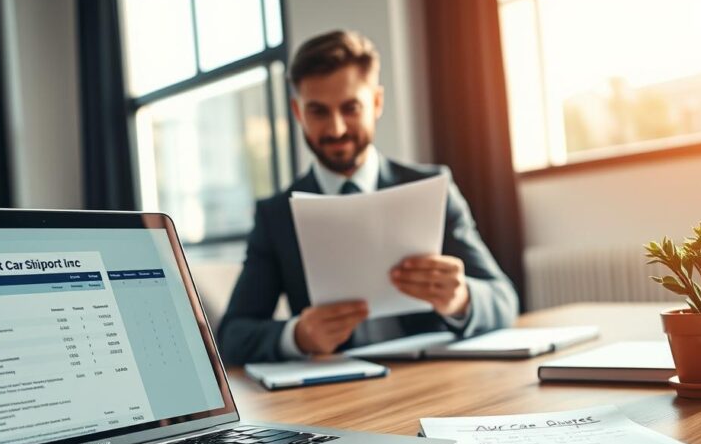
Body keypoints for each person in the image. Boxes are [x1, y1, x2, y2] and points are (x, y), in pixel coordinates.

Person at [218, 30, 517, 365]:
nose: (336, 129)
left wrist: (460, 298)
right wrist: (299, 335)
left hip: (434, 377)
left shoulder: (434, 187)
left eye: (350, 108)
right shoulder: (275, 216)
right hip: (338, 392)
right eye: (318, 111)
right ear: (298, 112)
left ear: (376, 102)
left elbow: (504, 300)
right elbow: (232, 335)